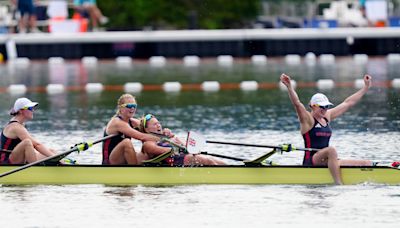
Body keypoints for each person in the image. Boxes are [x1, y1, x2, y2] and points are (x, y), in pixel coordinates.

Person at [280, 73, 373, 185]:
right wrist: (290, 87)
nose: (325, 109)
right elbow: (297, 103)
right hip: (312, 160)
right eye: (322, 106)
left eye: (327, 106)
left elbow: (348, 103)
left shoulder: (327, 116)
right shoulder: (307, 120)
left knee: (366, 163)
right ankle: (338, 183)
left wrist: (365, 87)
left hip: (327, 159)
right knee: (331, 150)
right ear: (313, 106)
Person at [138, 114, 225, 166]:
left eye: (158, 123)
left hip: (183, 157)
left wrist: (173, 138)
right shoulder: (148, 143)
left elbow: (187, 145)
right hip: (176, 161)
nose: (159, 126)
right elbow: (158, 150)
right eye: (154, 124)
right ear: (147, 130)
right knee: (208, 161)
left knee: (218, 161)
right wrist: (176, 148)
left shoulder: (166, 139)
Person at [102, 94, 159, 165]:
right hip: (111, 162)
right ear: (121, 108)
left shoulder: (133, 122)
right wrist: (160, 138)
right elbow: (141, 136)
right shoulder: (116, 122)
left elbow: (150, 130)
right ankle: (134, 171)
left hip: (123, 158)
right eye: (129, 106)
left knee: (145, 155)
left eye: (134, 106)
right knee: (126, 142)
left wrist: (166, 134)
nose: (132, 108)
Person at [0, 98, 57, 164]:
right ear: (21, 111)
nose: (33, 110)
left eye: (33, 108)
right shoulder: (15, 127)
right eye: (30, 108)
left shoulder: (21, 124)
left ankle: (62, 164)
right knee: (27, 142)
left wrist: (54, 156)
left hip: (18, 157)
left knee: (52, 151)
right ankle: (35, 170)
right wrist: (53, 156)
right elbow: (36, 145)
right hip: (6, 161)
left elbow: (33, 148)